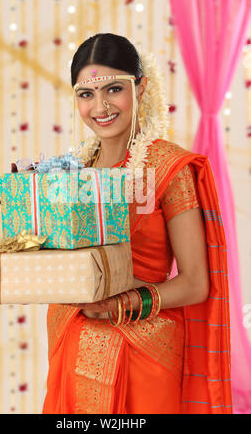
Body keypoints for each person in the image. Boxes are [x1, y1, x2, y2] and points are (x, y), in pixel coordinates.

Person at [42, 33, 232, 414]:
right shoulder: (70, 171)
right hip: (74, 342)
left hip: (143, 349)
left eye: (114, 89)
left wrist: (125, 303)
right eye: (86, 94)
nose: (101, 106)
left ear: (141, 88)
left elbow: (196, 283)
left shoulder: (166, 168)